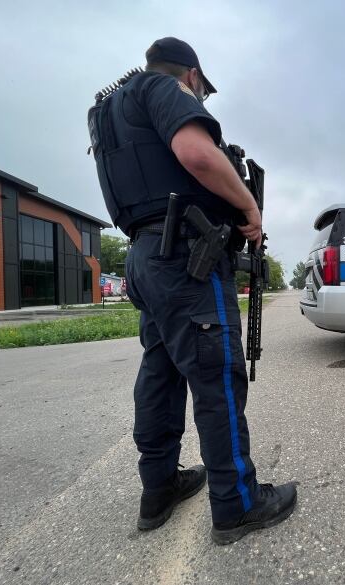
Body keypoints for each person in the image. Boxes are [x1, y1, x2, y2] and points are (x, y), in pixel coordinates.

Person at [88, 37, 296, 545]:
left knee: (160, 373)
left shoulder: (107, 111)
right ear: (193, 76)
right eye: (202, 89)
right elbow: (196, 153)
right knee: (215, 375)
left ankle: (158, 489)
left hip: (144, 255)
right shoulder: (162, 88)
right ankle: (237, 504)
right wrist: (249, 207)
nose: (201, 97)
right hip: (185, 256)